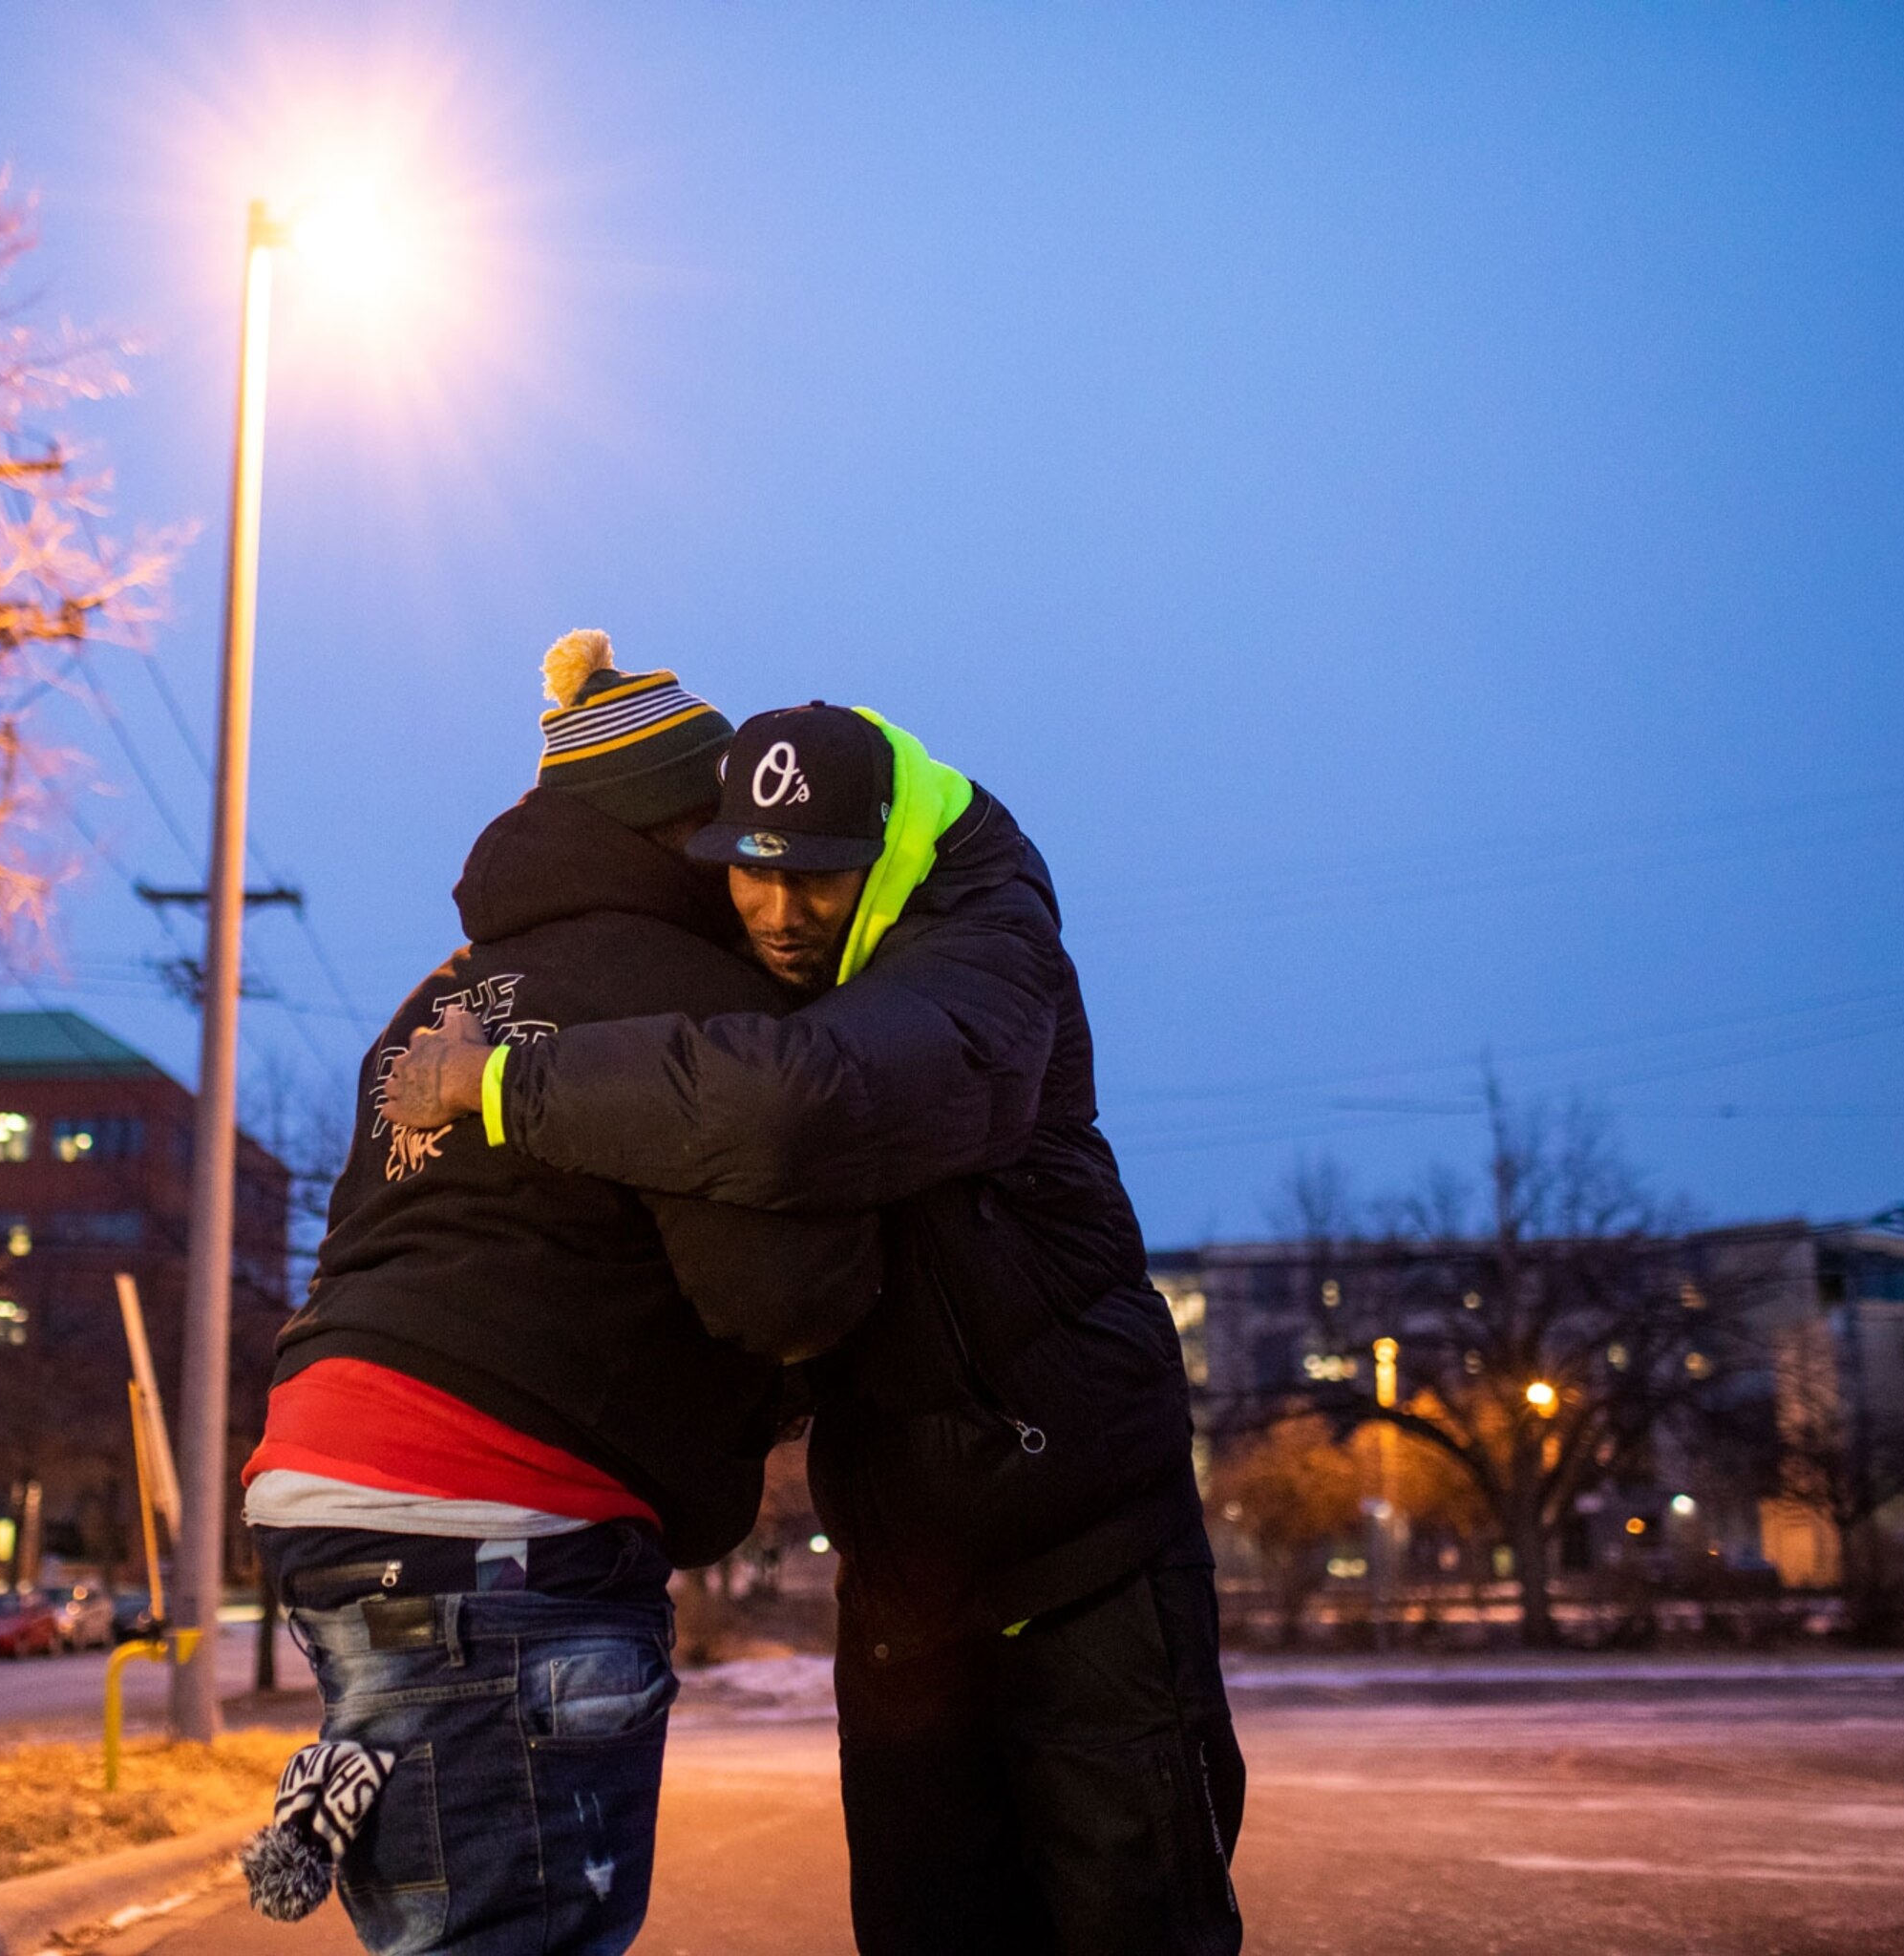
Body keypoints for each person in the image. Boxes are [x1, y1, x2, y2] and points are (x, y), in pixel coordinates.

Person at [385, 701, 1242, 1956]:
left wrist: (507, 1085)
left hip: (1087, 1550)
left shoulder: (986, 955)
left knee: (1133, 1927)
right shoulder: (790, 982)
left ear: (883, 856)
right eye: (751, 878)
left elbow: (804, 1113)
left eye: (820, 883)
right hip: (906, 1576)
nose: (781, 917)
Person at [243, 639, 881, 1956]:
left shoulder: (436, 998)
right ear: (674, 832)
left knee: (461, 1891)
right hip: (500, 1519)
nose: (756, 878)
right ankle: (421, 1768)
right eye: (731, 841)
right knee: (522, 1933)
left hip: (322, 1482)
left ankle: (394, 1757)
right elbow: (777, 1293)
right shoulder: (693, 1003)